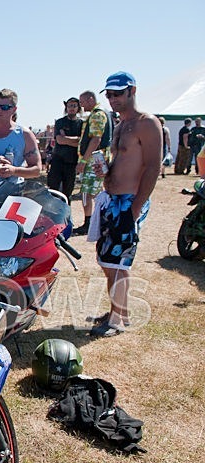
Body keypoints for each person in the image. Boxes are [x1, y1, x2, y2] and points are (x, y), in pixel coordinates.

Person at [88, 71, 161, 337]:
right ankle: (120, 311)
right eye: (108, 94)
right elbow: (123, 162)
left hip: (128, 202)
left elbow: (153, 166)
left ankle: (117, 320)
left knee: (118, 263)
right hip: (112, 200)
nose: (112, 99)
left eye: (118, 93)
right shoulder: (120, 125)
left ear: (132, 91)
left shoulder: (147, 123)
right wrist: (105, 171)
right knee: (106, 260)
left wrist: (136, 206)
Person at [73, 90, 113, 235]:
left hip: (93, 159)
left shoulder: (97, 115)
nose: (81, 106)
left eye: (82, 102)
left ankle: (89, 222)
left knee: (87, 192)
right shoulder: (104, 113)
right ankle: (97, 220)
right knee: (95, 191)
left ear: (90, 99)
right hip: (98, 158)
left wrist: (84, 160)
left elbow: (96, 139)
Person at [47, 98, 83, 199]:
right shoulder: (60, 122)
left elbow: (82, 143)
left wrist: (67, 139)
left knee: (68, 191)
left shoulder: (81, 124)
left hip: (72, 162)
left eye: (74, 106)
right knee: (53, 189)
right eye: (69, 106)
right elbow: (59, 140)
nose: (72, 108)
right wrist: (75, 140)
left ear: (78, 108)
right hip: (58, 160)